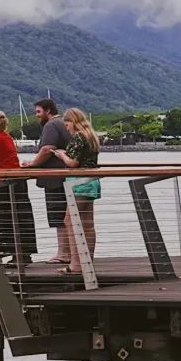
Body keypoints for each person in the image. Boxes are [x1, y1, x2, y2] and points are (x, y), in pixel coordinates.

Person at [0, 110, 37, 265]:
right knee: (20, 216)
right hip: (18, 180)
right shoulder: (7, 137)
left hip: (4, 182)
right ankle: (22, 253)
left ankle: (2, 252)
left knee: (3, 217)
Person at [21, 98, 71, 264]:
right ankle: (69, 252)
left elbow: (47, 148)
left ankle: (63, 253)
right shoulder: (65, 122)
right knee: (68, 215)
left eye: (38, 112)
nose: (36, 115)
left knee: (58, 216)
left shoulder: (51, 125)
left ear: (48, 110)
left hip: (55, 179)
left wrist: (33, 163)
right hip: (67, 176)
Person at [53, 108, 101, 274]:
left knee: (70, 220)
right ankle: (88, 261)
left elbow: (72, 163)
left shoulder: (78, 137)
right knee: (88, 223)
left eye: (67, 124)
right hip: (91, 181)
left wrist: (61, 155)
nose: (66, 128)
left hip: (78, 183)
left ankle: (76, 264)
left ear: (73, 122)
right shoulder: (91, 136)